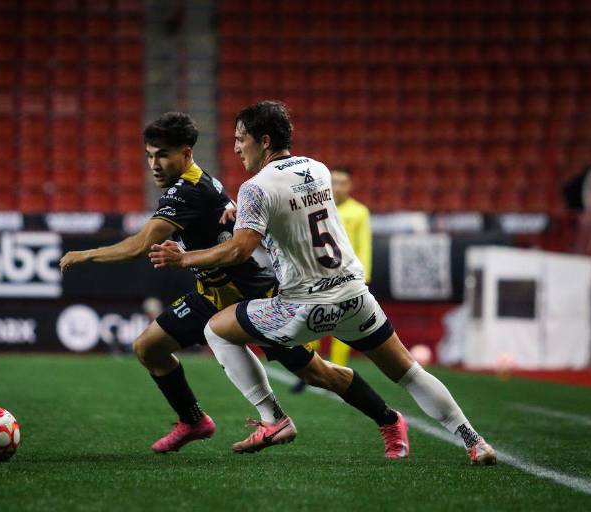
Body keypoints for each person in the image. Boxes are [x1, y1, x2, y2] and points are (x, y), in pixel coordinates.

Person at [149, 101, 496, 465]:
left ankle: (273, 419)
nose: (236, 148)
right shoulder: (318, 169)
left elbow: (239, 250)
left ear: (264, 141)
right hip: (354, 296)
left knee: (216, 330)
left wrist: (183, 258)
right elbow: (294, 221)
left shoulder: (254, 188)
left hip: (304, 306)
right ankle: (474, 441)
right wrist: (249, 216)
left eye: (241, 139)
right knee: (408, 371)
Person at [60, 112, 408, 457]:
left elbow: (140, 245)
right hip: (211, 296)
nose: (154, 165)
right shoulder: (198, 184)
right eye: (150, 156)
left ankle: (389, 419)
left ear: (186, 153)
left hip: (251, 296)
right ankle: (193, 421)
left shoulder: (188, 191)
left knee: (320, 375)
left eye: (162, 155)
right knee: (149, 348)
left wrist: (86, 254)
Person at [291, 166, 371, 392]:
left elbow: (364, 244)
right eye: (333, 182)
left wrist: (364, 275)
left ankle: (338, 373)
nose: (337, 187)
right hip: (318, 275)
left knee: (344, 327)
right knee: (312, 322)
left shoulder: (359, 212)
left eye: (342, 183)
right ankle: (311, 369)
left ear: (350, 186)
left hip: (347, 277)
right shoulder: (317, 206)